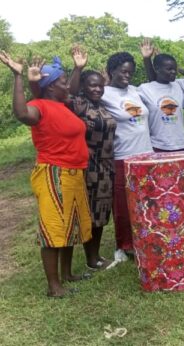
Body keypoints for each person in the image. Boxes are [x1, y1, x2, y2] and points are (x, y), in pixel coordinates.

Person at [0, 52, 92, 297]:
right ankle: (54, 286)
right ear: (51, 87)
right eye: (62, 82)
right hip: (54, 173)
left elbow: (72, 87)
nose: (67, 86)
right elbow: (22, 114)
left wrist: (77, 69)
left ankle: (67, 274)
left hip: (74, 173)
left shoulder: (62, 105)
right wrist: (18, 76)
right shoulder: (39, 107)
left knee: (70, 226)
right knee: (54, 229)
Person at [66, 46, 116, 270]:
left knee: (102, 213)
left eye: (100, 86)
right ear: (83, 88)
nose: (97, 89)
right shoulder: (80, 105)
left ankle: (95, 256)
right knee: (91, 214)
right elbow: (68, 94)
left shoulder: (101, 105)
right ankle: (92, 258)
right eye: (92, 85)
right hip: (90, 167)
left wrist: (107, 81)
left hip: (106, 167)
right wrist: (78, 69)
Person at [102, 51, 153, 262]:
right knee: (123, 206)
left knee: (147, 200)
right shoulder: (104, 93)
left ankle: (147, 238)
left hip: (147, 155)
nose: (127, 76)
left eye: (130, 72)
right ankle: (123, 246)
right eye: (123, 71)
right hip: (123, 156)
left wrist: (148, 59)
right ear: (111, 71)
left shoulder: (135, 90)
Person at [139, 48, 184, 152]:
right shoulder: (144, 89)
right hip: (158, 145)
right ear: (157, 69)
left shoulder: (179, 86)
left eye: (174, 69)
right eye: (169, 69)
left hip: (181, 144)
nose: (173, 72)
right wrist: (147, 59)